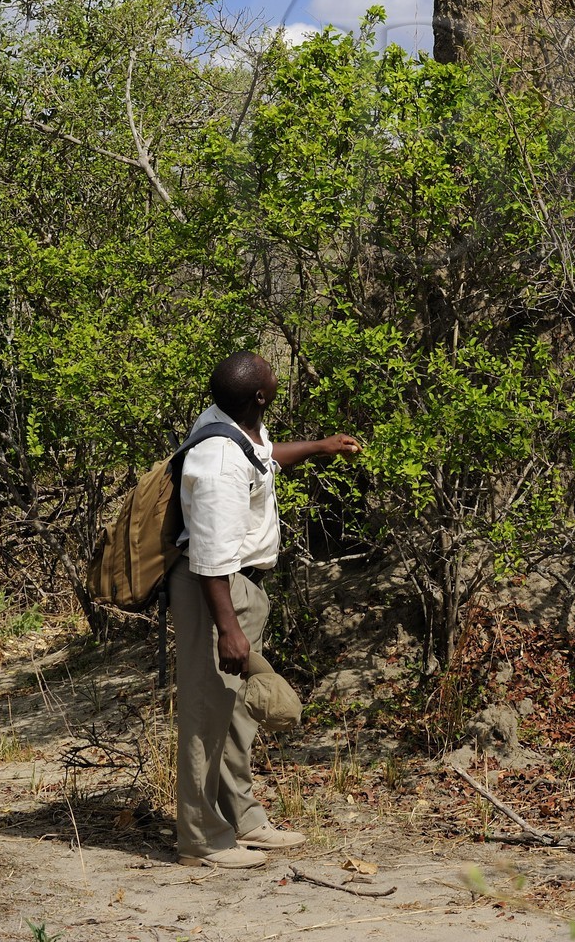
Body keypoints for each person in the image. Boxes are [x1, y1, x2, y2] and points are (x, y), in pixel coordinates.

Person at [169, 350, 360, 869]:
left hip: (239, 586)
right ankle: (201, 840)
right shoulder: (219, 462)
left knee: (234, 712)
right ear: (259, 395)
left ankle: (242, 818)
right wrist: (228, 630)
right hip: (216, 591)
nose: (276, 375)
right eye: (270, 374)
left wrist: (319, 447)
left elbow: (263, 455)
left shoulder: (232, 425)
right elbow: (209, 557)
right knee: (207, 713)